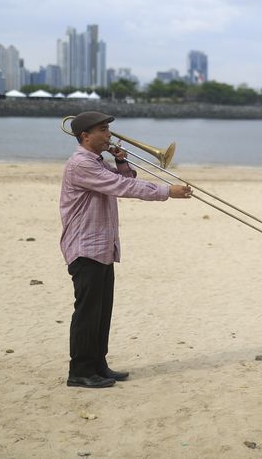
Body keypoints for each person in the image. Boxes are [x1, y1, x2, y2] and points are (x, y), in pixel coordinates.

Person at [60, 111, 194, 389]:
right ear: (86, 136)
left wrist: (121, 161)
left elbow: (125, 176)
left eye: (108, 128)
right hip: (85, 246)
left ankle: (98, 364)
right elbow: (123, 187)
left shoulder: (98, 161)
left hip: (101, 246)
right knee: (87, 312)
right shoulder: (81, 164)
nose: (109, 134)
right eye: (103, 130)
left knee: (101, 310)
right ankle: (80, 371)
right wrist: (169, 191)